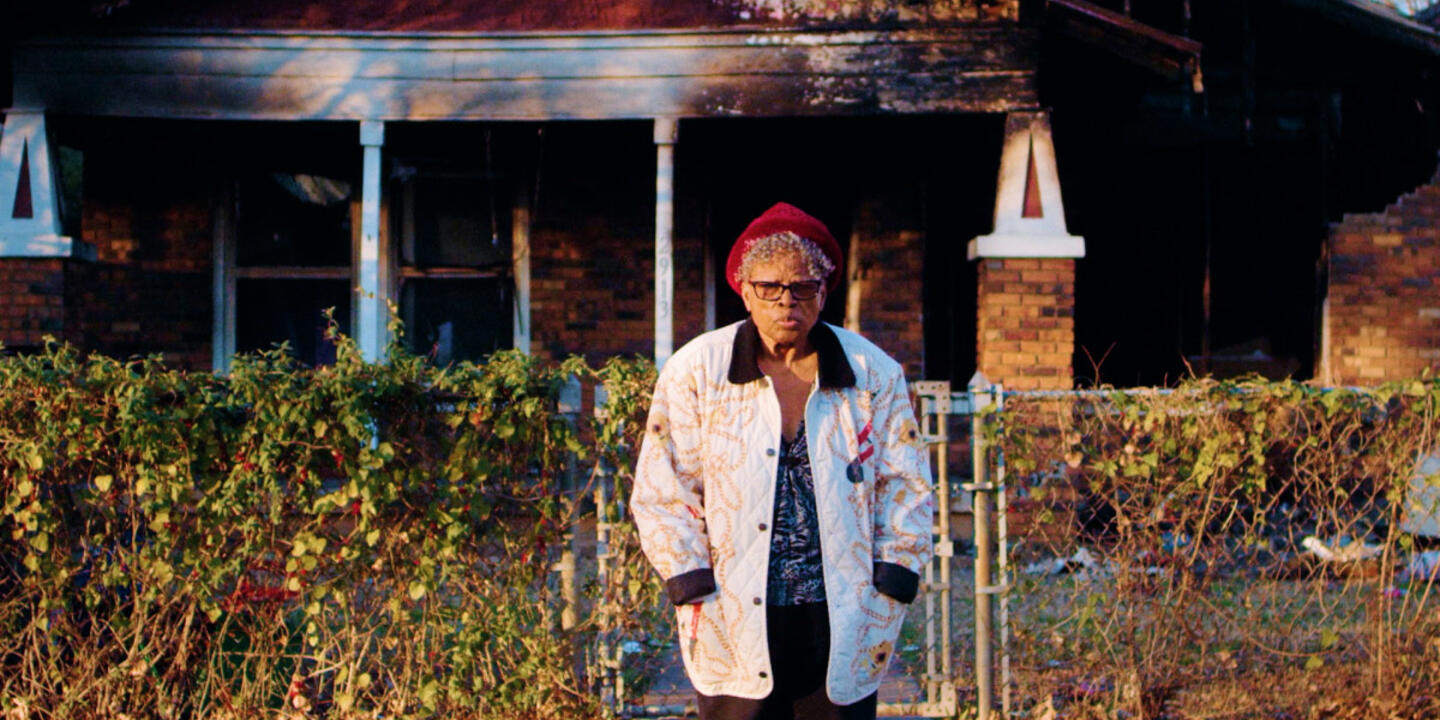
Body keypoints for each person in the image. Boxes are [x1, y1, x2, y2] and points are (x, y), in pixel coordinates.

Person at [631, 202, 934, 720]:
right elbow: (663, 486)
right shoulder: (696, 370)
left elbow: (906, 483)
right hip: (731, 605)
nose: (785, 301)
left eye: (802, 287)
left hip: (844, 609)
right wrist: (689, 580)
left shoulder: (872, 372)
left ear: (824, 292)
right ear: (745, 291)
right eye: (769, 287)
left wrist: (893, 580)